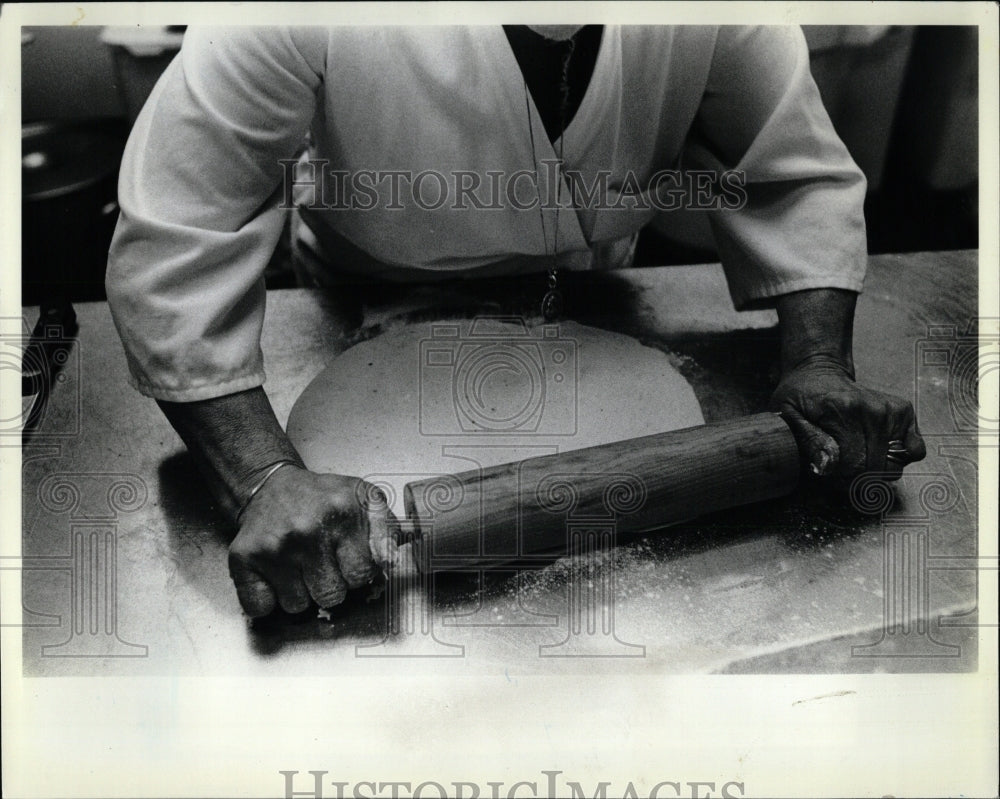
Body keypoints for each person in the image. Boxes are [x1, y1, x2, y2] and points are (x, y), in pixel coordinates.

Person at [106, 24, 926, 619]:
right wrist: (263, 477)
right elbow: (182, 225)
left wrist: (818, 362)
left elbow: (791, 175)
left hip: (591, 282)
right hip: (370, 280)